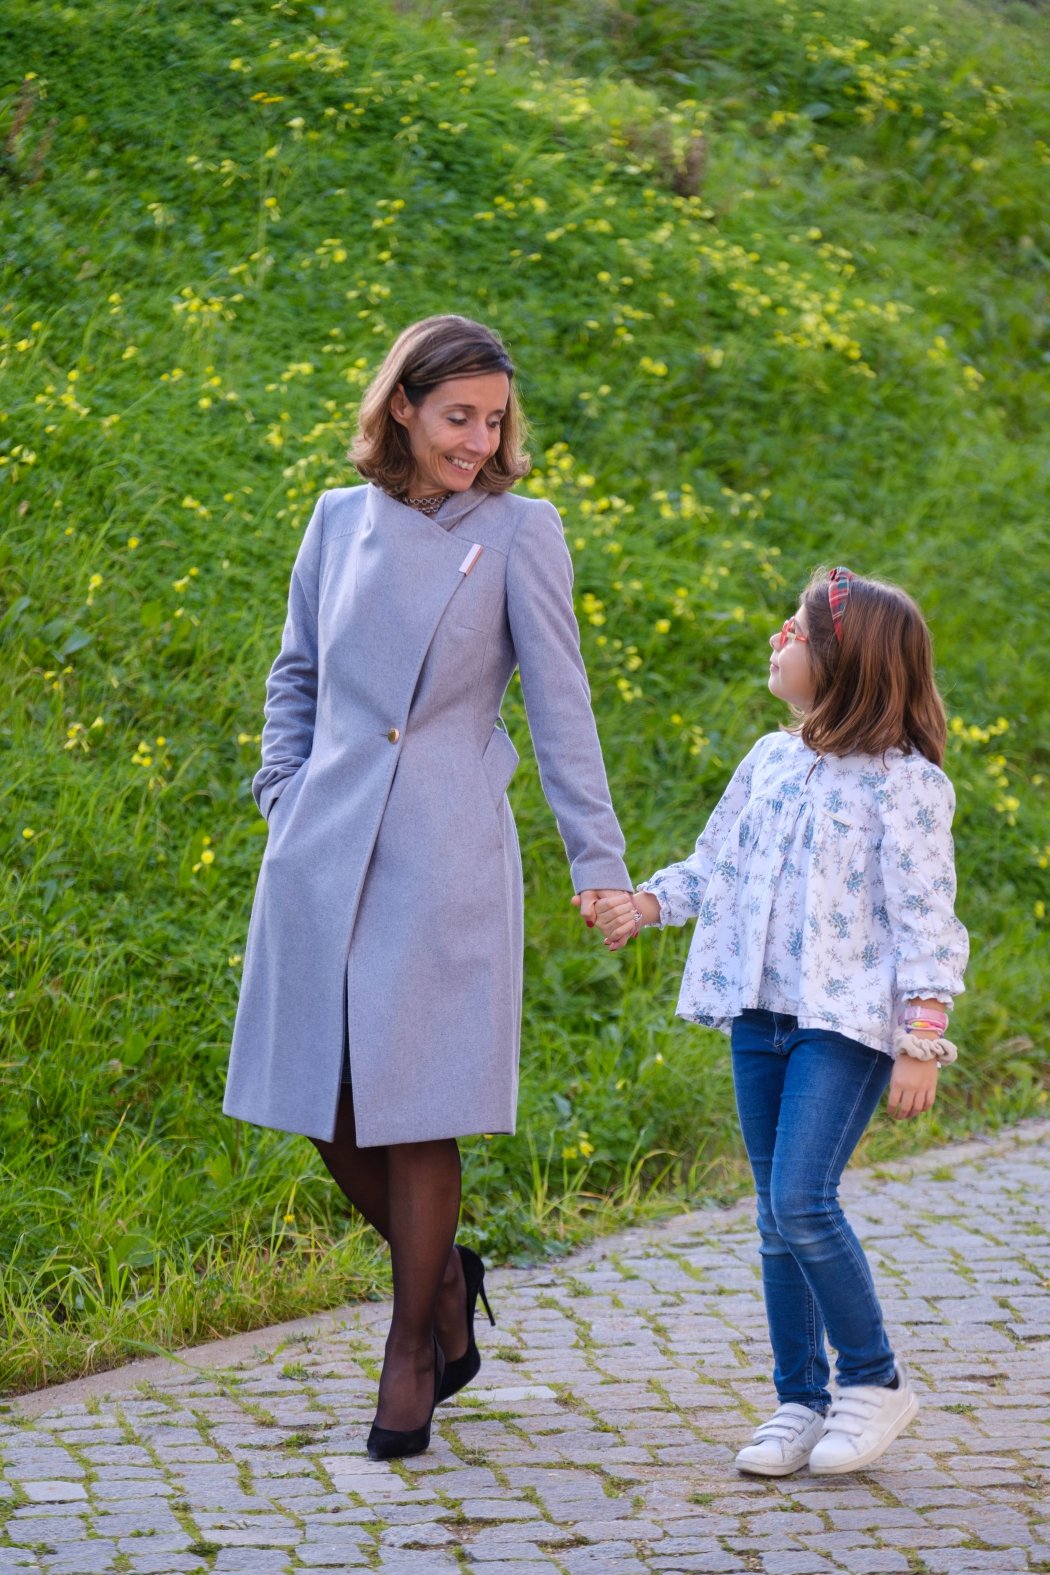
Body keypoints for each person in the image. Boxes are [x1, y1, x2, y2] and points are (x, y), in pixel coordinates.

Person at [223, 315, 632, 1460]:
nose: (479, 439)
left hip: (442, 849)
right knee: (321, 1101)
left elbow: (562, 710)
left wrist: (598, 865)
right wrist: (283, 791)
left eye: (494, 419)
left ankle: (412, 1349)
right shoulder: (335, 519)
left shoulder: (518, 531)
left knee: (416, 1106)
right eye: (460, 416)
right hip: (322, 842)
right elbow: (294, 669)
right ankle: (444, 1274)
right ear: (401, 405)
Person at [593, 566, 968, 1477]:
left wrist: (922, 1036)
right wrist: (648, 903)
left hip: (845, 1025)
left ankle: (873, 1381)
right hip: (759, 1013)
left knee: (804, 1199)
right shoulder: (770, 760)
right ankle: (798, 1399)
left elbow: (928, 915)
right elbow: (715, 860)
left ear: (845, 661)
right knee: (772, 1216)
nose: (777, 639)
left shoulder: (906, 786)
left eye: (794, 630)